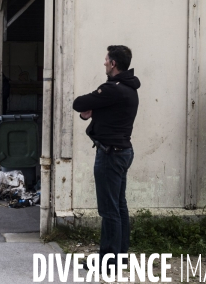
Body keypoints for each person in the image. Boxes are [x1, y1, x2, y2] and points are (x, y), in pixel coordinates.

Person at [72, 45, 140, 270]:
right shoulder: (128, 88)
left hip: (110, 154)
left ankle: (108, 262)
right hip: (122, 151)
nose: (104, 63)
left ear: (113, 64)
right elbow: (96, 111)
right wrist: (94, 110)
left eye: (106, 60)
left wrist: (91, 107)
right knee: (119, 206)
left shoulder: (113, 89)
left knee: (109, 210)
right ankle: (120, 257)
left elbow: (79, 104)